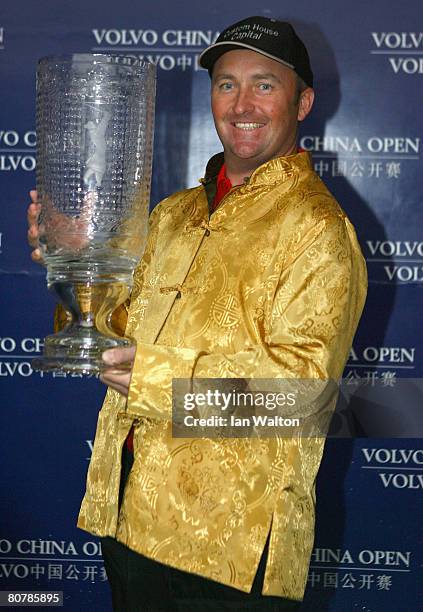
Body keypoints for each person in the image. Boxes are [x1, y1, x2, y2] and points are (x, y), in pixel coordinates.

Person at [28, 16, 367, 611]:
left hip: (230, 552)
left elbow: (302, 403)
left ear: (303, 102)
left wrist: (156, 377)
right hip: (131, 519)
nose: (242, 104)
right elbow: (112, 333)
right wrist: (77, 265)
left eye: (265, 85)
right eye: (226, 85)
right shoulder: (171, 215)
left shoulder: (319, 231)